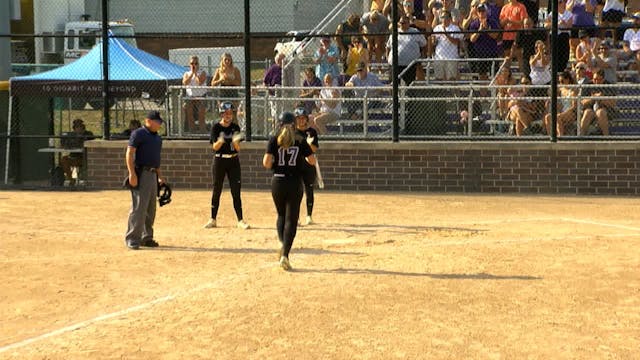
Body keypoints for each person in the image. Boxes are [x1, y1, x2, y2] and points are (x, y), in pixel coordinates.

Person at [262, 111, 316, 271]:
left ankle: (281, 241)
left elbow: (266, 163)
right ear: (294, 124)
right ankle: (285, 254)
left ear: (279, 124)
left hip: (277, 181)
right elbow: (312, 160)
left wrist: (278, 164)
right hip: (294, 182)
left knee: (281, 215)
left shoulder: (274, 139)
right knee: (291, 219)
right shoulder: (299, 139)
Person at [203, 101, 250, 230]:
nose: (228, 115)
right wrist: (221, 140)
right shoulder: (216, 127)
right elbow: (214, 147)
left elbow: (238, 148)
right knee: (217, 189)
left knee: (236, 190)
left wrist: (235, 141)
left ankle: (240, 220)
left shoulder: (236, 127)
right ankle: (213, 219)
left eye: (230, 113)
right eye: (226, 113)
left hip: (233, 160)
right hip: (220, 160)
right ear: (221, 114)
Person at [124, 111, 165, 250]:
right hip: (141, 173)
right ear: (149, 121)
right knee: (139, 207)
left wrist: (159, 176)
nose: (159, 124)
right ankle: (132, 238)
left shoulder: (157, 138)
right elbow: (130, 153)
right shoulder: (138, 134)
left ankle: (146, 237)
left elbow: (156, 159)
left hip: (152, 174)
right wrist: (132, 174)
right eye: (157, 121)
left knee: (150, 208)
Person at [294, 106, 319, 226]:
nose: (301, 121)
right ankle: (296, 217)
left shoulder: (311, 132)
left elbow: (314, 148)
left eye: (303, 118)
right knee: (296, 191)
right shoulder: (293, 132)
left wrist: (307, 146)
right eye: (298, 118)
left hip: (309, 162)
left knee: (309, 189)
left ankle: (309, 216)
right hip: (296, 164)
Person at [387, 15, 428, 85]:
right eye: (401, 23)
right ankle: (394, 96)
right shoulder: (395, 32)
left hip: (410, 64)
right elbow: (388, 47)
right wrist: (388, 58)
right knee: (393, 84)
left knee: (410, 84)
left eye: (404, 23)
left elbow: (424, 44)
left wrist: (422, 56)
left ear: (409, 23)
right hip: (395, 63)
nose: (402, 24)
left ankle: (410, 95)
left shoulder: (415, 32)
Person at [579, 69, 616, 135]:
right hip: (590, 109)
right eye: (594, 79)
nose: (596, 82)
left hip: (606, 110)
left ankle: (606, 137)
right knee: (587, 112)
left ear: (603, 79)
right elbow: (583, 102)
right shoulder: (588, 85)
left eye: (599, 80)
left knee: (600, 112)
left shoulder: (609, 86)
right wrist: (592, 98)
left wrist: (601, 98)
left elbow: (612, 103)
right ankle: (581, 136)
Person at [60, 118, 94, 185]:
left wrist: (82, 137)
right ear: (74, 128)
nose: (79, 128)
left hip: (85, 158)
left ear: (83, 127)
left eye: (80, 127)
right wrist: (66, 144)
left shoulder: (88, 134)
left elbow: (92, 142)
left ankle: (85, 180)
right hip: (73, 158)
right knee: (64, 159)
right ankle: (71, 179)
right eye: (77, 127)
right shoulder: (71, 135)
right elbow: (64, 144)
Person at [543, 71, 578, 136]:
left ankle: (560, 136)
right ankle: (550, 136)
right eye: (559, 82)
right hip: (562, 111)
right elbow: (550, 92)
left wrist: (564, 113)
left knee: (558, 117)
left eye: (562, 81)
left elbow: (574, 106)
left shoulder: (573, 91)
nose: (561, 83)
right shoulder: (561, 89)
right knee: (547, 117)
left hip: (571, 112)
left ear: (568, 80)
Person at [431, 10, 463, 81]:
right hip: (439, 56)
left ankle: (452, 92)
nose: (443, 19)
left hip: (451, 57)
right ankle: (442, 92)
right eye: (442, 17)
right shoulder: (437, 28)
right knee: (439, 78)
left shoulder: (455, 28)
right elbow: (434, 43)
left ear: (449, 18)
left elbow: (456, 42)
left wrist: (446, 34)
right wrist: (434, 41)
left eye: (445, 17)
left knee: (451, 78)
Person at [182, 55, 208, 133]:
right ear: (189, 64)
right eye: (192, 63)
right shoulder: (186, 73)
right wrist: (192, 74)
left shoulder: (202, 72)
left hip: (201, 96)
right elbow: (185, 82)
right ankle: (192, 131)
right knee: (190, 115)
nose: (194, 65)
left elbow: (200, 82)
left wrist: (196, 73)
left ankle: (203, 132)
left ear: (198, 64)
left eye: (196, 63)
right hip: (190, 96)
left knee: (201, 115)